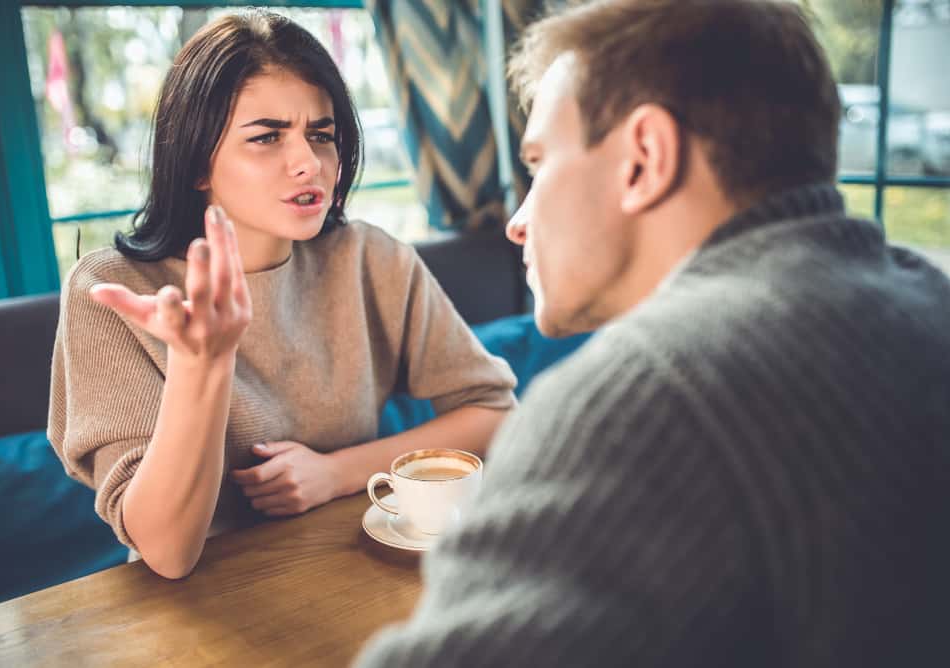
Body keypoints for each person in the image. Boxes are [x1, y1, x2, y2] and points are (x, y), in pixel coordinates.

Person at [355, 0, 950, 666]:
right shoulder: (926, 301)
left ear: (643, 158)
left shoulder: (644, 398)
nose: (517, 222)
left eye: (539, 163)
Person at [48, 10, 516, 580]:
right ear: (198, 162)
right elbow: (167, 552)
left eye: (321, 135)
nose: (309, 163)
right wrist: (204, 362)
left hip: (352, 572)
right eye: (267, 137)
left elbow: (492, 411)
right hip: (201, 611)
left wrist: (335, 473)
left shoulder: (371, 257)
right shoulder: (112, 291)